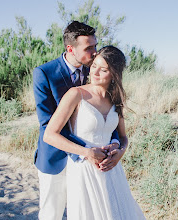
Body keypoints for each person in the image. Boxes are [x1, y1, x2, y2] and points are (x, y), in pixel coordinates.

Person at [43, 46, 145, 219]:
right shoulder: (76, 94)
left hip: (112, 170)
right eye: (94, 66)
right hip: (85, 169)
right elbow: (50, 135)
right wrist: (86, 152)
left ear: (114, 74)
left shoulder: (115, 99)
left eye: (103, 69)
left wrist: (120, 152)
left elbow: (122, 137)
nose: (95, 72)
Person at [33, 21, 120, 220]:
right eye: (89, 48)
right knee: (51, 214)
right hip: (56, 158)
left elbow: (107, 114)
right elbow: (47, 125)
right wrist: (86, 150)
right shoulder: (44, 74)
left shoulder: (97, 73)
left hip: (92, 163)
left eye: (96, 46)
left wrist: (114, 144)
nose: (95, 52)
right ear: (70, 48)